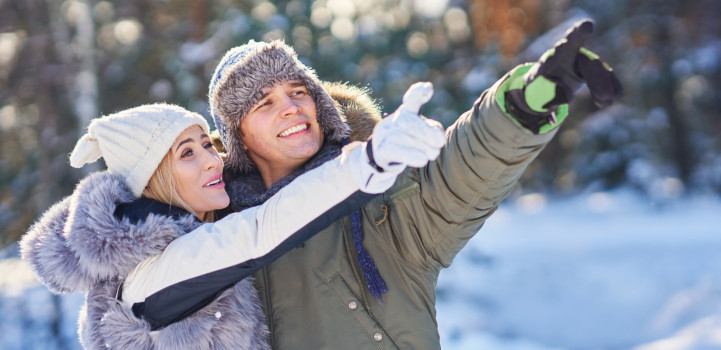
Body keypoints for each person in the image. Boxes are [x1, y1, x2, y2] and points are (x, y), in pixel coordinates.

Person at [207, 19, 622, 348]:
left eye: (298, 91)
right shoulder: (211, 231)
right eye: (265, 103)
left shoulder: (376, 198)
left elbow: (461, 173)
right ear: (237, 136)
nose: (292, 108)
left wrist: (524, 103)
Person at [19, 99, 444, 349]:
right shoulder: (154, 275)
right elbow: (260, 231)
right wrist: (364, 165)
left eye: (207, 144)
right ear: (153, 179)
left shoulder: (174, 246)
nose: (212, 159)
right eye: (187, 154)